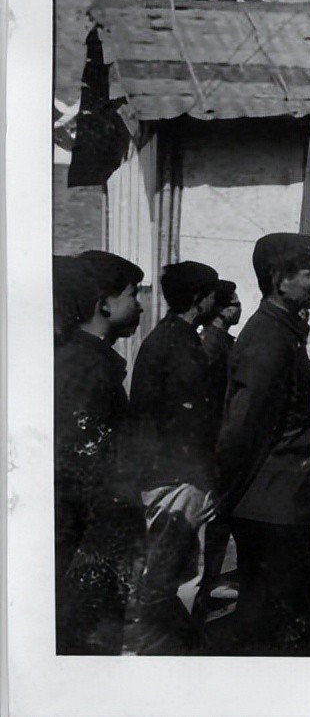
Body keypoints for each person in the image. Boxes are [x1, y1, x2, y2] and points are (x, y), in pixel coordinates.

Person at [215, 233, 310, 656]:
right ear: (280, 280)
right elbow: (243, 428)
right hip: (274, 513)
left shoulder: (282, 332)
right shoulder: (268, 339)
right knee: (281, 630)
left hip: (284, 507)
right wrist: (222, 498)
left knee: (284, 625)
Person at [54, 251, 145, 654]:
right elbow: (78, 472)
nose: (139, 304)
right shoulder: (87, 371)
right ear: (104, 304)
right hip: (87, 551)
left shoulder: (88, 362)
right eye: (132, 294)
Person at [128, 260, 221, 654]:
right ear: (199, 300)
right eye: (213, 292)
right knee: (172, 575)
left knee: (166, 572)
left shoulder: (167, 338)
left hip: (164, 474)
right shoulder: (181, 346)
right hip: (178, 479)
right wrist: (205, 477)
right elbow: (191, 422)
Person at [193, 279, 242, 622]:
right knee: (212, 528)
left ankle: (207, 586)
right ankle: (202, 592)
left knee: (218, 528)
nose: (239, 308)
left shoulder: (223, 343)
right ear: (223, 310)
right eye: (235, 303)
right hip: (214, 448)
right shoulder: (212, 346)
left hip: (219, 448)